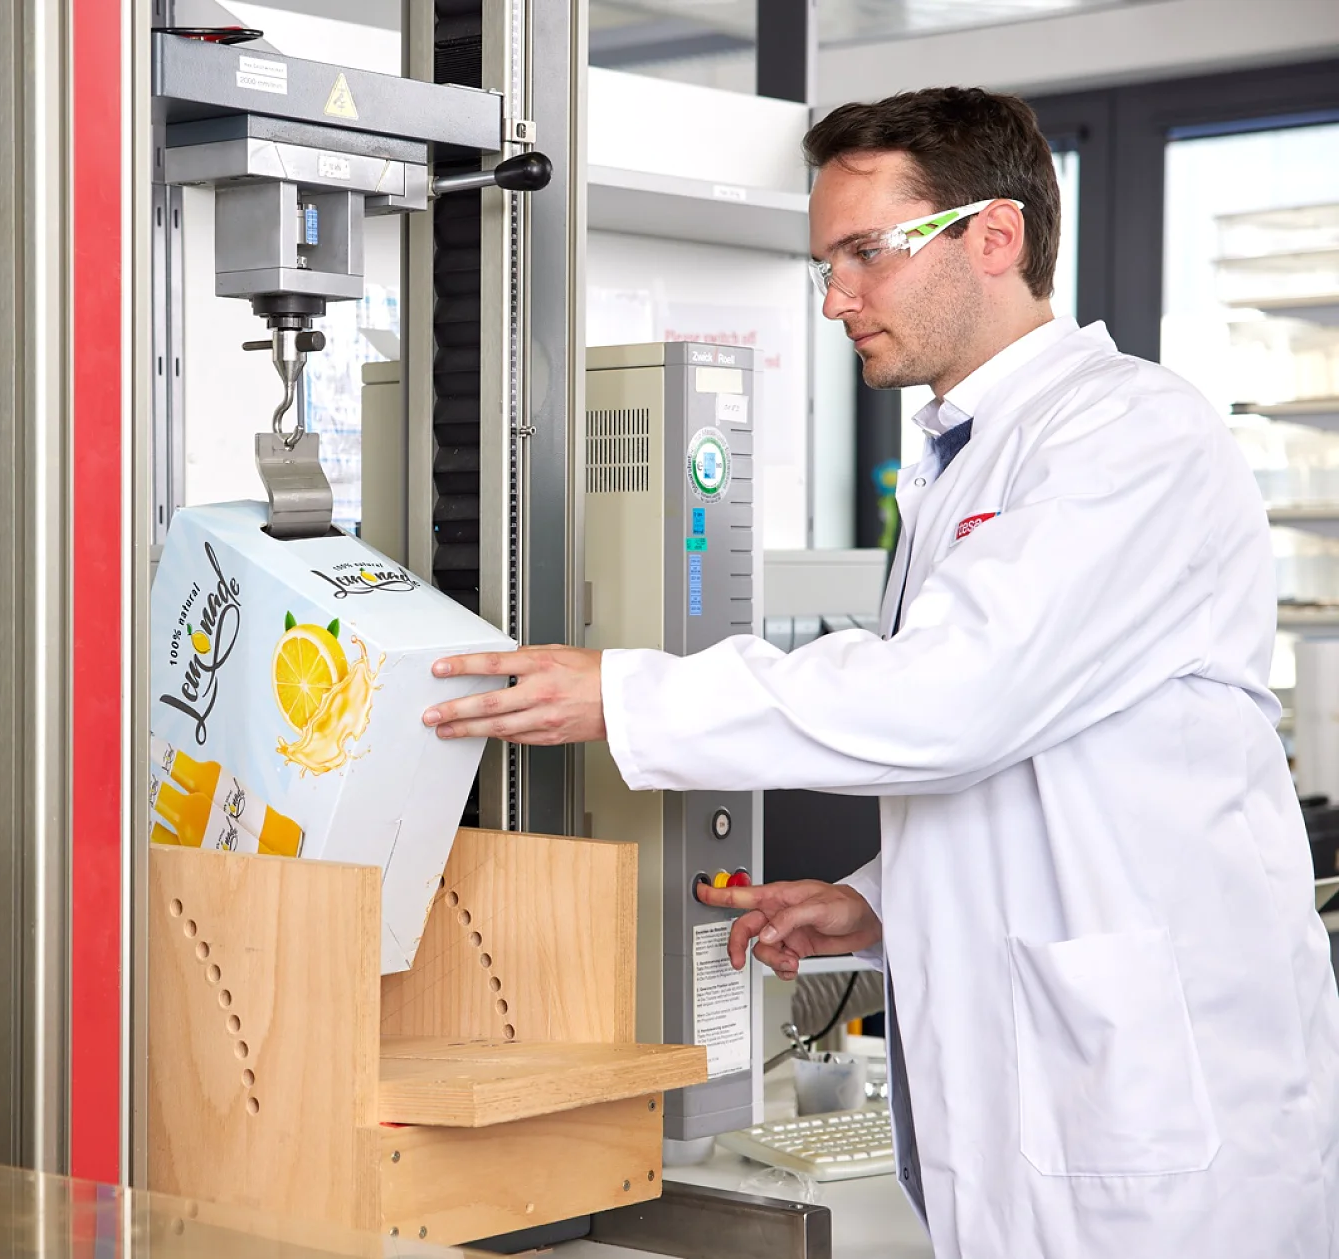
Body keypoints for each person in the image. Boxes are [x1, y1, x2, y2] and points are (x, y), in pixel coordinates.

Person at [421, 87, 1339, 1259]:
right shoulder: (970, 456)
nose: (832, 297)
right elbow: (1041, 759)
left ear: (993, 237)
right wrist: (881, 899)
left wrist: (627, 690)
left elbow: (956, 699)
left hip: (1163, 1124)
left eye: (864, 253)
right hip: (1052, 1109)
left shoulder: (1130, 434)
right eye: (825, 262)